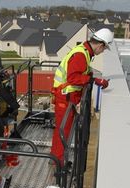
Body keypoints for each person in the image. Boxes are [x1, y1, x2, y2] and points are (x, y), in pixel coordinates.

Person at [51, 28, 113, 165]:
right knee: (64, 131)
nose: (102, 52)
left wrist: (91, 77)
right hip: (65, 96)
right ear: (100, 45)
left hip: (67, 95)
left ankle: (56, 159)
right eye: (103, 49)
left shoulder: (84, 51)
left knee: (62, 129)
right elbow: (73, 78)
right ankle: (58, 163)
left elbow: (82, 71)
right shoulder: (81, 54)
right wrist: (93, 81)